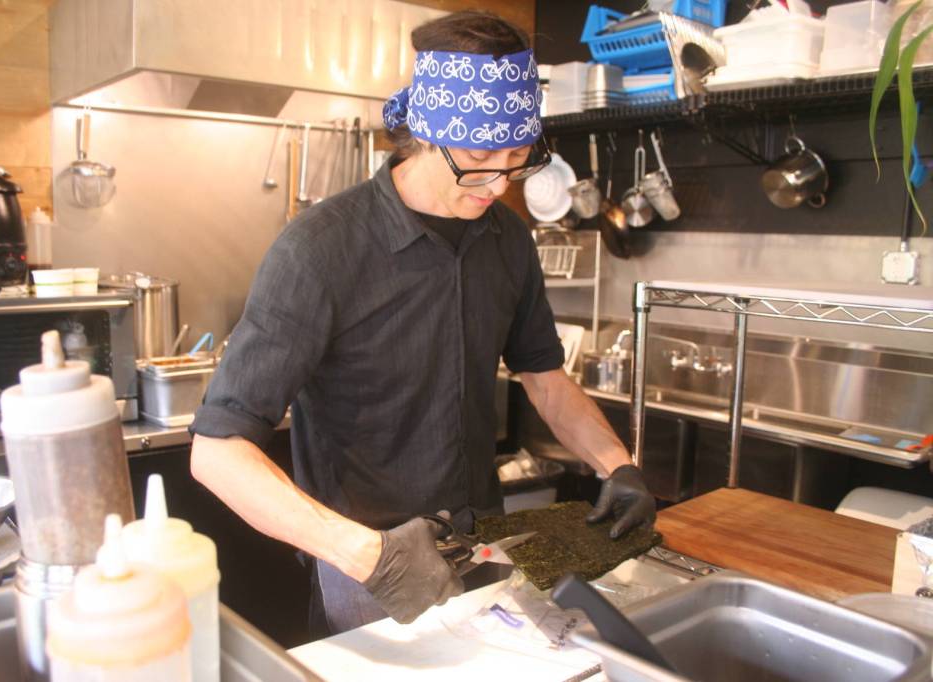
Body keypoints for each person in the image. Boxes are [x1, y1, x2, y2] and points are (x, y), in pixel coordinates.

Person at [189, 10, 655, 637]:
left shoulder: (508, 240)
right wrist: (371, 557)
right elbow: (217, 453)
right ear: (427, 133)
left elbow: (543, 376)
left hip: (486, 546)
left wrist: (615, 464)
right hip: (368, 568)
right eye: (479, 156)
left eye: (516, 157)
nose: (496, 182)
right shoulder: (319, 250)